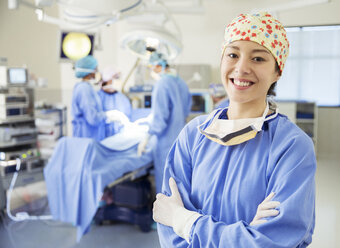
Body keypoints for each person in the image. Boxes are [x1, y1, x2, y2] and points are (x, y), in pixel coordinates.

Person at [153, 12, 316, 247]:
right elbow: (169, 229)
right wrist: (245, 232)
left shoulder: (291, 146)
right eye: (232, 54)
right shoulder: (193, 135)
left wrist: (187, 221)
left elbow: (272, 242)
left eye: (258, 59)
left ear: (277, 71)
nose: (241, 68)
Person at [137, 52, 192, 193]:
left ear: (157, 66)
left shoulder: (162, 84)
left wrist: (147, 137)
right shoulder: (181, 82)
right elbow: (185, 111)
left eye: (151, 67)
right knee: (179, 187)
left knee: (166, 187)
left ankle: (163, 215)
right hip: (180, 141)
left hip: (165, 144)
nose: (151, 71)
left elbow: (160, 120)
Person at [71, 55, 125, 141]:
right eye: (95, 69)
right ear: (90, 71)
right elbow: (93, 119)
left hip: (91, 137)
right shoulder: (84, 89)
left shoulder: (86, 88)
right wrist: (108, 115)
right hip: (87, 138)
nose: (97, 72)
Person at [97, 66, 132, 137]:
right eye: (116, 78)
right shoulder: (97, 97)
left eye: (118, 78)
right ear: (106, 80)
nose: (117, 80)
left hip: (120, 140)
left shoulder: (122, 98)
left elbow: (128, 119)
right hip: (101, 139)